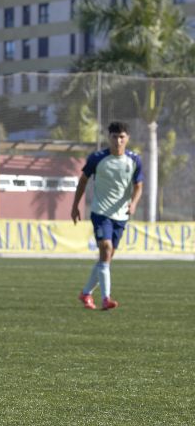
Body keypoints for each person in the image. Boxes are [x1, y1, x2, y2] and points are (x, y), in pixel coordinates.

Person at [71, 121, 143, 310]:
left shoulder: (134, 160)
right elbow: (83, 181)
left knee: (106, 257)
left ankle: (86, 293)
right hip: (100, 212)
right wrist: (75, 206)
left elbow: (138, 186)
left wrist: (134, 203)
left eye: (122, 137)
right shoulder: (97, 158)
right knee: (105, 247)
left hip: (121, 216)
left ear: (127, 138)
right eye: (114, 137)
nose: (118, 140)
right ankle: (106, 298)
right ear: (108, 137)